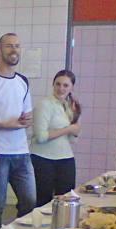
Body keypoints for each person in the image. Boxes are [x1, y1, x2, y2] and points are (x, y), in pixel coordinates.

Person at [0, 33, 36, 229]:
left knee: (29, 201)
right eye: (9, 46)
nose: (14, 50)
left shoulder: (23, 81)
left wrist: (27, 120)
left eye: (17, 46)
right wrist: (7, 125)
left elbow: (27, 114)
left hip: (22, 152)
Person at [30, 70, 82, 207]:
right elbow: (41, 136)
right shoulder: (44, 104)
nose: (61, 88)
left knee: (66, 202)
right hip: (43, 159)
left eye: (66, 85)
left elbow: (73, 139)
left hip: (65, 159)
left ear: (72, 87)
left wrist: (76, 120)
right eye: (58, 84)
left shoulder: (69, 106)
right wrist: (68, 129)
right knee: (43, 203)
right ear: (53, 85)